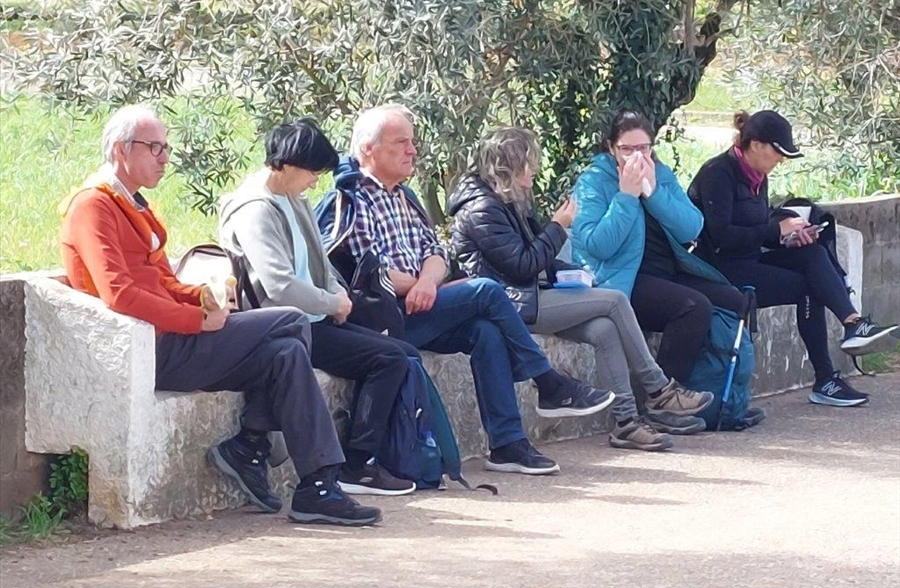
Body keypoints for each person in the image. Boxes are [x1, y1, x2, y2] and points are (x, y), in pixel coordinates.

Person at [59, 105, 381, 526]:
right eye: (154, 147)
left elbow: (161, 281)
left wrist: (201, 298)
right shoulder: (94, 206)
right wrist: (196, 320)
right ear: (121, 150)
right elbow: (120, 294)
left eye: (166, 147)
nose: (164, 158)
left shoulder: (131, 203)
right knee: (291, 320)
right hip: (151, 350)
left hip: (174, 337)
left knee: (285, 353)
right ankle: (252, 442)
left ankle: (314, 485)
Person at [317, 104, 614, 476]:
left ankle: (508, 445)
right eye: (401, 142)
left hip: (423, 304)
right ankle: (549, 383)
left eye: (413, 142)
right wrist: (421, 283)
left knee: (486, 331)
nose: (412, 150)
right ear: (368, 149)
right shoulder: (350, 201)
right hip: (383, 318)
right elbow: (366, 272)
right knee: (486, 291)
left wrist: (428, 282)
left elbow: (436, 253)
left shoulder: (404, 197)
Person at [448, 127, 716, 451]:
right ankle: (660, 390)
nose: (535, 169)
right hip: (513, 304)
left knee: (604, 329)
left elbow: (538, 260)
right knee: (615, 300)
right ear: (509, 166)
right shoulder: (483, 209)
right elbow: (521, 265)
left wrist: (576, 275)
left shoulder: (508, 200)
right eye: (529, 162)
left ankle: (626, 423)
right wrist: (558, 226)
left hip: (532, 295)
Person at [219, 117, 421, 496]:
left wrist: (337, 296)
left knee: (401, 352)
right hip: (285, 325)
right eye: (313, 172)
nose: (316, 181)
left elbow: (321, 263)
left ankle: (375, 459)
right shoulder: (255, 209)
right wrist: (331, 303)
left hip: (314, 317)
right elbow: (278, 285)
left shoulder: (294, 200)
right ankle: (357, 464)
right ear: (287, 165)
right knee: (389, 358)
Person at [688, 110, 898, 407]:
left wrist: (788, 237)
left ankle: (853, 325)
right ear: (756, 145)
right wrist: (776, 230)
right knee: (808, 287)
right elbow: (721, 237)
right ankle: (826, 378)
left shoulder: (758, 176)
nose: (781, 160)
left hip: (749, 260)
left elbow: (757, 230)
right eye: (778, 152)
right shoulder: (718, 174)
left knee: (812, 253)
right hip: (721, 271)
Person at [570, 111, 750, 404]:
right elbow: (598, 246)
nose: (636, 156)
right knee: (692, 307)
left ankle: (722, 400)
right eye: (627, 149)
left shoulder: (660, 174)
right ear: (611, 148)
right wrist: (626, 196)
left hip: (666, 271)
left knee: (734, 300)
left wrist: (653, 193)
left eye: (643, 148)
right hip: (620, 279)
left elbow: (692, 226)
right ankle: (661, 401)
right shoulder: (593, 183)